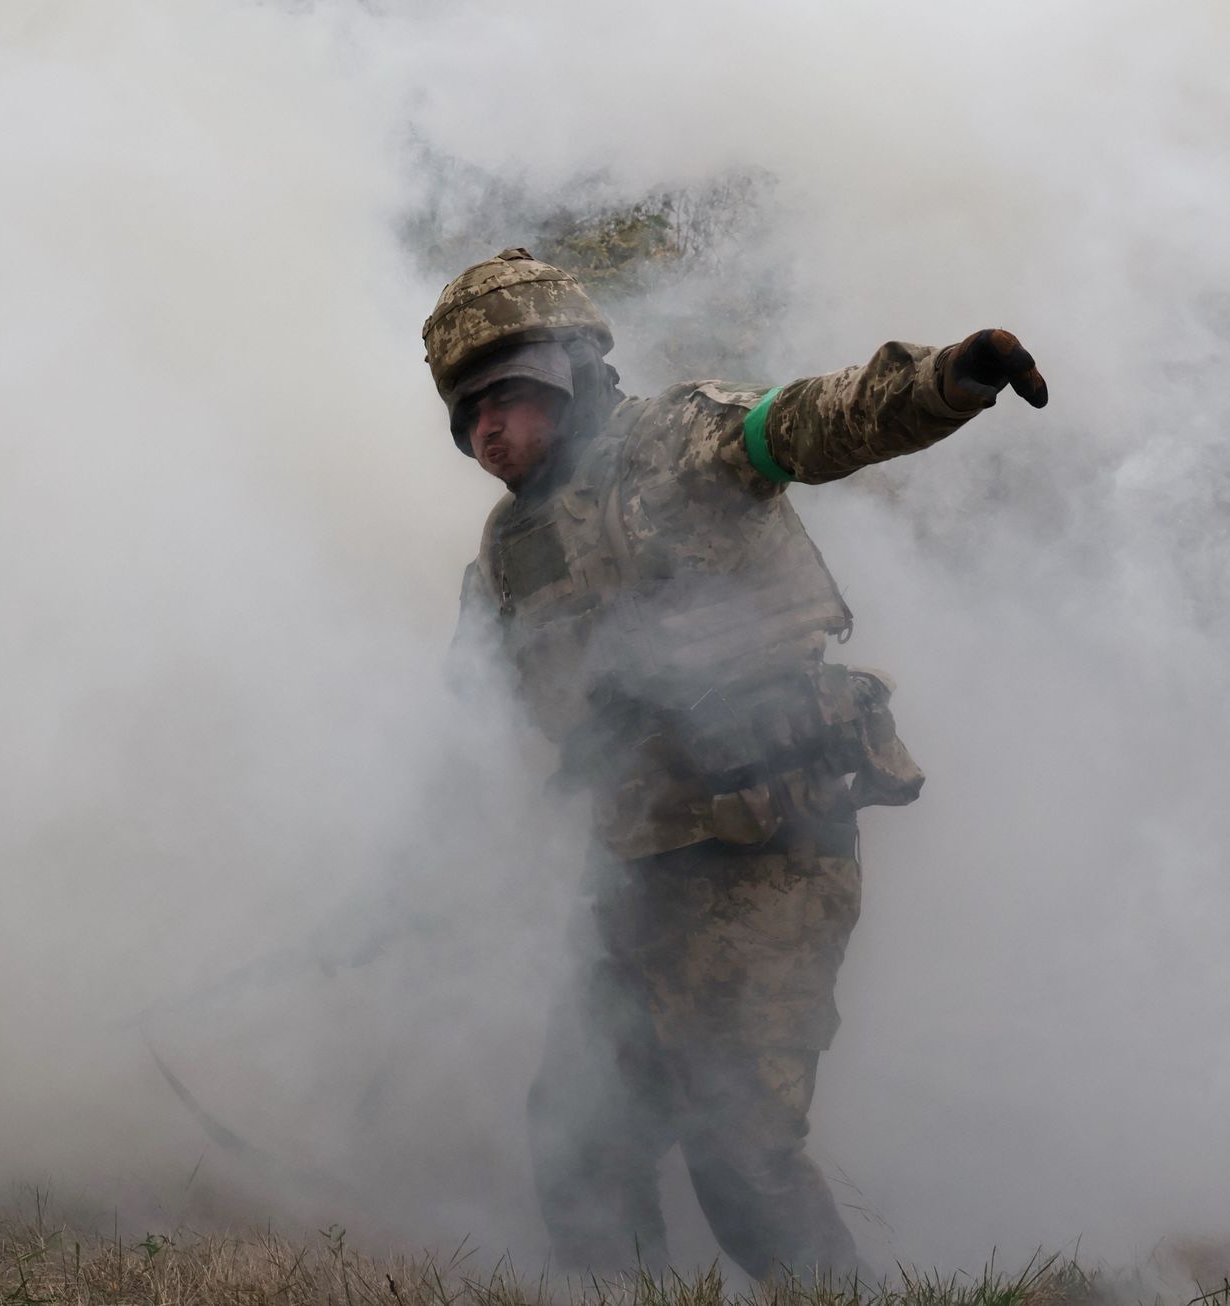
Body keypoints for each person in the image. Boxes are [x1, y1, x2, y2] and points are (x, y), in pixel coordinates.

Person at [429, 248, 1047, 1280]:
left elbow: (803, 424)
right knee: (579, 1145)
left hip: (771, 857)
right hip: (635, 870)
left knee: (739, 1161)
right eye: (464, 414)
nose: (484, 429)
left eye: (503, 397)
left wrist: (946, 378)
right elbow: (465, 722)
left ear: (569, 373)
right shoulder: (504, 552)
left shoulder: (673, 440)